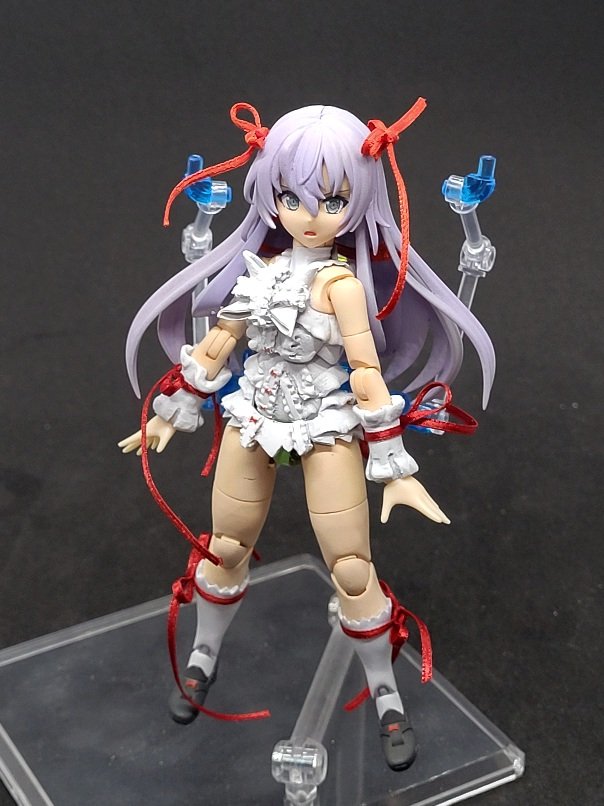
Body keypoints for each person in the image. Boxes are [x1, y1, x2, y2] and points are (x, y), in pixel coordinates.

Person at [119, 101, 495, 771]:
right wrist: (172, 409)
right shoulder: (258, 272)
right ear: (271, 194)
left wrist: (394, 463)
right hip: (255, 416)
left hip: (325, 422)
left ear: (359, 201)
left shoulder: (342, 285)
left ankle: (384, 692)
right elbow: (219, 342)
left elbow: (366, 373)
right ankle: (204, 653)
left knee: (350, 566)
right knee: (226, 544)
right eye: (292, 197)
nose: (310, 214)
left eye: (332, 200)